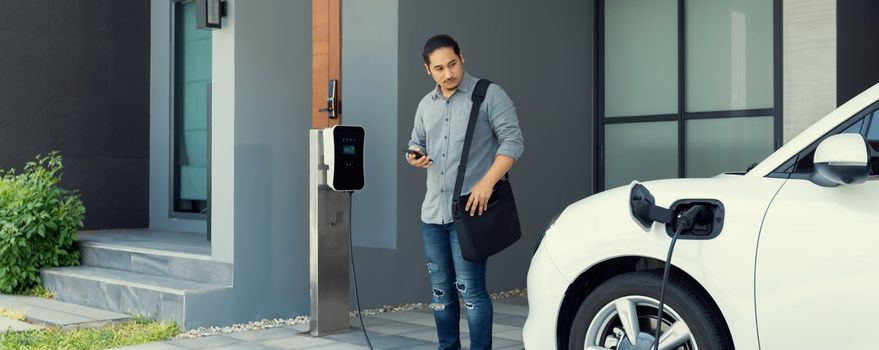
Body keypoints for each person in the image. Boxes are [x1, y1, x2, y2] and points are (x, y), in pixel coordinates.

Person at [406, 34, 524, 350]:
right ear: (427, 70)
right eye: (440, 68)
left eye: (453, 64)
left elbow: (513, 142)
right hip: (432, 214)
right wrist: (414, 155)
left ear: (462, 57)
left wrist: (487, 183)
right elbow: (415, 142)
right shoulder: (424, 105)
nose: (449, 74)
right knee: (441, 294)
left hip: (470, 213)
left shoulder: (489, 95)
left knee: (471, 290)